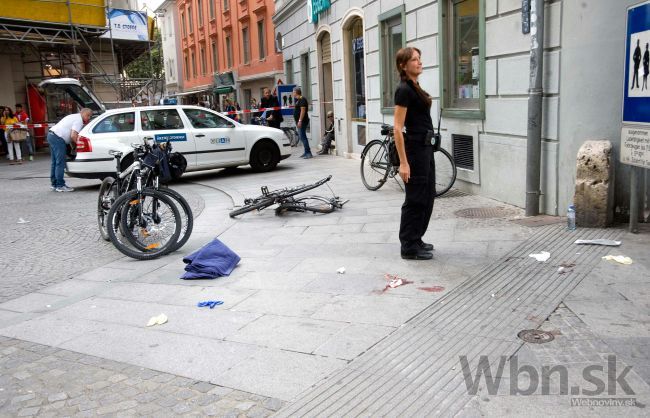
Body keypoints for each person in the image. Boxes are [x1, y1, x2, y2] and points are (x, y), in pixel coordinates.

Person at [393, 47, 435, 260]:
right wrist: (404, 163)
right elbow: (397, 128)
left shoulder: (414, 86)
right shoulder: (404, 89)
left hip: (426, 148)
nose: (419, 62)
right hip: (415, 151)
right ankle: (408, 246)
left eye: (420, 58)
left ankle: (416, 238)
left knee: (427, 196)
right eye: (414, 60)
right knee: (416, 198)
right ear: (403, 65)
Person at [47, 108, 93, 192]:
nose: (89, 118)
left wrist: (74, 145)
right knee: (60, 162)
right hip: (58, 138)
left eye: (90, 116)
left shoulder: (73, 116)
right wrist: (80, 146)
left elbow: (71, 135)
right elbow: (73, 136)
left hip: (51, 135)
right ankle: (60, 185)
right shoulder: (79, 120)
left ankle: (54, 184)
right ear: (83, 113)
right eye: (88, 115)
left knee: (55, 162)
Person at [293, 87, 312, 158]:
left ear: (296, 92)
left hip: (303, 121)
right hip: (300, 121)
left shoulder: (302, 99)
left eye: (293, 92)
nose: (293, 93)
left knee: (303, 136)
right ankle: (306, 152)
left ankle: (308, 153)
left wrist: (300, 121)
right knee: (302, 136)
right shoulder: (298, 100)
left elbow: (303, 111)